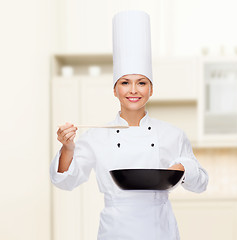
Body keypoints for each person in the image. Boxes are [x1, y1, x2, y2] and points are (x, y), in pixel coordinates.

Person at [50, 10, 208, 240]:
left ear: (151, 89)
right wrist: (68, 148)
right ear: (115, 89)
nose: (133, 90)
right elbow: (65, 181)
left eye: (141, 83)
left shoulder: (172, 134)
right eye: (125, 82)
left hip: (159, 229)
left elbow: (201, 183)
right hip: (116, 230)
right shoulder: (95, 136)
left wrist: (183, 168)